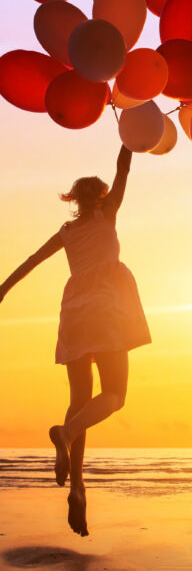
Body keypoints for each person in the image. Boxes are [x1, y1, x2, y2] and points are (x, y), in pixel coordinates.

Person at [0, 144, 151, 536]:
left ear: (74, 200)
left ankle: (79, 486)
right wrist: (129, 132)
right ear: (100, 197)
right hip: (105, 310)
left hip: (74, 313)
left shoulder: (66, 231)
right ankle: (65, 435)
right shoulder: (108, 214)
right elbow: (124, 167)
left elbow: (32, 260)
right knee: (114, 395)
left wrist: (2, 289)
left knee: (79, 400)